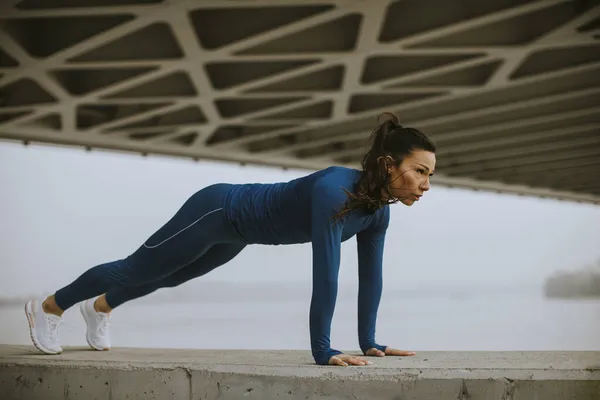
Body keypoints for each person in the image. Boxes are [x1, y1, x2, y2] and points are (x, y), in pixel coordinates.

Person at [24, 112, 436, 367]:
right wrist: (323, 350)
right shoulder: (336, 193)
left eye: (430, 175)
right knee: (139, 266)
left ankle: (100, 307)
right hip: (219, 209)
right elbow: (326, 276)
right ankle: (49, 306)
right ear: (388, 164)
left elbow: (371, 280)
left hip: (240, 235)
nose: (426, 184)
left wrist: (369, 343)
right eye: (420, 171)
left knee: (171, 276)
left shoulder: (376, 213)